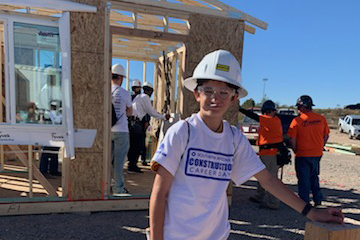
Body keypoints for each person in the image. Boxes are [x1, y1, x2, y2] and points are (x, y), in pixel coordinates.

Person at [149, 50, 343, 240]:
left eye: (224, 92)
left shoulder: (233, 139)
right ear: (196, 94)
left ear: (234, 98)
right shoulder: (183, 132)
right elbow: (159, 193)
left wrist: (311, 212)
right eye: (208, 91)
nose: (215, 98)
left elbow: (267, 180)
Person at [239, 100, 284, 209]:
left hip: (270, 154)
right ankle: (260, 196)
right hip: (267, 152)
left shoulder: (270, 120)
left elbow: (254, 116)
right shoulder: (273, 119)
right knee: (262, 175)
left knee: (270, 179)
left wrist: (240, 109)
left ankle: (273, 202)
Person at [287, 95, 330, 206]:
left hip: (302, 154)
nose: (298, 110)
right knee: (314, 177)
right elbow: (326, 135)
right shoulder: (321, 119)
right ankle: (318, 200)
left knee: (304, 180)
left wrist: (295, 150)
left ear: (302, 107)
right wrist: (320, 146)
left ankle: (304, 203)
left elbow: (292, 139)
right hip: (317, 154)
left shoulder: (297, 121)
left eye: (299, 107)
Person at [128, 82, 170, 173]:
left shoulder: (138, 97)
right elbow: (151, 112)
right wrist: (163, 117)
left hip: (132, 123)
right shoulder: (145, 97)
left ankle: (131, 165)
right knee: (137, 145)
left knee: (133, 145)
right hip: (136, 124)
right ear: (150, 91)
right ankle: (132, 166)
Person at [111, 63, 132, 195]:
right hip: (122, 131)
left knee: (108, 161)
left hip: (108, 131)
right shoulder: (124, 93)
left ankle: (106, 185)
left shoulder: (106, 91)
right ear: (121, 79)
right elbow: (130, 111)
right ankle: (118, 189)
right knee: (119, 162)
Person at [39, 101, 62, 178]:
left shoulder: (56, 114)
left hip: (56, 132)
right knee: (47, 151)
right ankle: (44, 170)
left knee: (54, 151)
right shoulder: (49, 113)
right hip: (49, 132)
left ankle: (53, 170)